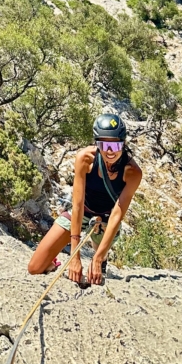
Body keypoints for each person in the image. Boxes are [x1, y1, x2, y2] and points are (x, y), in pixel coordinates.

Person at [27, 113, 142, 286]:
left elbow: (117, 214)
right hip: (82, 212)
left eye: (116, 145)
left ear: (123, 143)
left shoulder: (133, 172)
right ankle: (54, 263)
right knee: (34, 268)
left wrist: (97, 258)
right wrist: (75, 255)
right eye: (103, 144)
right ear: (97, 143)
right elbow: (78, 204)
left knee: (97, 272)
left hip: (106, 219)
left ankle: (101, 257)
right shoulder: (85, 159)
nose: (110, 151)